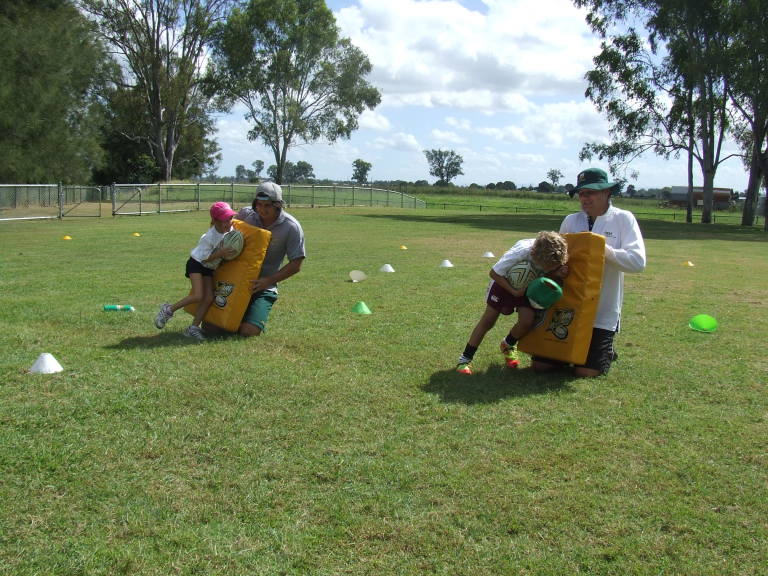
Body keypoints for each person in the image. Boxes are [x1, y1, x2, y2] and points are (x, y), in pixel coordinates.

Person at [532, 167, 646, 377]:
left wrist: (602, 249)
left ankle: (606, 351)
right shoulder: (571, 221)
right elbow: (556, 259)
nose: (584, 198)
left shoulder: (624, 219)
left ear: (607, 193)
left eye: (590, 192)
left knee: (585, 372)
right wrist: (558, 269)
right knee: (542, 367)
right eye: (581, 193)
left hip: (603, 310)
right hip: (567, 307)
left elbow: (637, 263)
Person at [456, 231, 570, 375]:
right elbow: (494, 273)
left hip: (527, 286)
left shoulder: (554, 256)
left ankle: (508, 344)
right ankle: (465, 359)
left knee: (527, 321)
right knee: (488, 321)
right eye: (549, 266)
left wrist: (559, 272)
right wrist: (513, 291)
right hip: (503, 282)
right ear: (537, 256)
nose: (550, 269)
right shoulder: (521, 251)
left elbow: (549, 270)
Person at [229, 181, 305, 337]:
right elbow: (226, 234)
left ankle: (248, 317)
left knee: (248, 331)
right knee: (212, 327)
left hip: (264, 286)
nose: (262, 210)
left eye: (267, 205)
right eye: (259, 204)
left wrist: (267, 281)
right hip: (236, 281)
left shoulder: (291, 227)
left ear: (278, 205)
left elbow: (296, 264)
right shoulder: (245, 215)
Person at [154, 201, 238, 340]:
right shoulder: (209, 237)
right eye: (225, 220)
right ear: (215, 221)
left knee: (209, 298)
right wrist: (221, 253)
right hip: (197, 264)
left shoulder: (229, 230)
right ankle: (168, 310)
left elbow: (234, 237)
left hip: (208, 268)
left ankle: (193, 328)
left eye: (230, 218)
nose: (229, 222)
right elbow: (205, 259)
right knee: (198, 295)